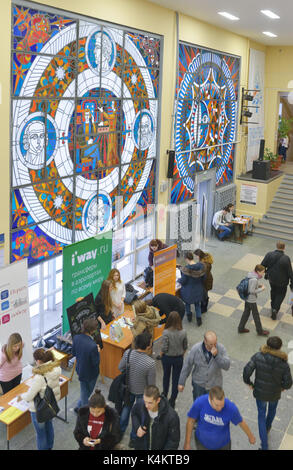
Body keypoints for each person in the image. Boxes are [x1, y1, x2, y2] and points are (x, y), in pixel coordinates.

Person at [243, 336, 292, 451]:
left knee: (261, 415)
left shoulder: (258, 356)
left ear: (267, 345)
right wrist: (283, 387)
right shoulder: (283, 363)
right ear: (279, 347)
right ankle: (268, 426)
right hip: (275, 393)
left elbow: (246, 371)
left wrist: (249, 382)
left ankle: (264, 446)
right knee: (272, 410)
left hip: (260, 392)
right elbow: (289, 383)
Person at [184, 386, 256, 450]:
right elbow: (191, 421)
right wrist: (187, 443)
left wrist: (251, 436)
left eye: (222, 404)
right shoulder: (199, 402)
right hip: (202, 444)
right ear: (210, 399)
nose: (220, 408)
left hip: (223, 446)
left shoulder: (231, 408)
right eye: (217, 405)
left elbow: (241, 422)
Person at [118, 331, 156, 447]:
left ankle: (119, 433)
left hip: (128, 389)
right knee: (139, 416)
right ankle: (133, 439)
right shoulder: (150, 363)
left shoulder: (128, 353)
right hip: (142, 393)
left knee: (126, 409)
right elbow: (151, 385)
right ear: (148, 346)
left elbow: (120, 367)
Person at [18, 348, 61, 450]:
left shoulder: (40, 377)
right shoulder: (56, 368)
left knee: (41, 434)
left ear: (38, 361)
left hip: (39, 409)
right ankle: (49, 447)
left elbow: (29, 396)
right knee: (49, 427)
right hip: (50, 404)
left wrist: (21, 396)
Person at [178, 331, 230, 401]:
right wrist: (181, 382)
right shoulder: (196, 349)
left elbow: (227, 366)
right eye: (211, 344)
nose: (214, 346)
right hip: (199, 385)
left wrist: (217, 356)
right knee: (198, 405)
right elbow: (187, 365)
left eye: (215, 343)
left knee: (213, 407)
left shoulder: (221, 348)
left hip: (214, 385)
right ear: (205, 341)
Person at [131, 385, 180, 450]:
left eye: (150, 403)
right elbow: (134, 413)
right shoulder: (141, 404)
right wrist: (137, 427)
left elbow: (173, 441)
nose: (146, 405)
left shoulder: (172, 416)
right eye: (145, 401)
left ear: (158, 400)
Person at [157, 311, 188, 408]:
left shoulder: (166, 332)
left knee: (166, 376)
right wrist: (182, 354)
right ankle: (173, 400)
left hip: (167, 358)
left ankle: (164, 394)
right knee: (176, 379)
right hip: (178, 359)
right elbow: (185, 346)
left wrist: (161, 354)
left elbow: (164, 348)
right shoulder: (183, 332)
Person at [72, 318, 100, 412]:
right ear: (92, 330)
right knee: (86, 393)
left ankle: (79, 406)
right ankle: (84, 412)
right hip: (91, 373)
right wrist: (98, 351)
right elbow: (96, 362)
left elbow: (74, 353)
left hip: (80, 369)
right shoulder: (93, 346)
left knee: (84, 390)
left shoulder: (76, 338)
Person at [261, 241, 293, 320]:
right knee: (281, 294)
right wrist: (292, 283)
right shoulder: (286, 258)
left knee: (273, 291)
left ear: (276, 246)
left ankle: (272, 306)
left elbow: (262, 266)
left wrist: (267, 272)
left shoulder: (269, 254)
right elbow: (290, 272)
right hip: (282, 282)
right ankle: (275, 309)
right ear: (284, 248)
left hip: (271, 279)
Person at [238, 264, 270, 336]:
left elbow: (250, 285)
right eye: (262, 272)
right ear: (258, 272)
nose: (263, 273)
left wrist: (258, 285)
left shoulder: (251, 275)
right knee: (256, 315)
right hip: (251, 300)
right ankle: (260, 331)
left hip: (247, 299)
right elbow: (252, 291)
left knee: (246, 313)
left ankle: (241, 328)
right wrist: (262, 289)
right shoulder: (254, 279)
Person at [177, 251, 206, 325]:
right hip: (198, 289)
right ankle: (199, 319)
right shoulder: (201, 267)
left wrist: (178, 280)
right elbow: (204, 278)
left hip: (188, 291)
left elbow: (183, 281)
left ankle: (189, 317)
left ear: (186, 259)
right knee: (197, 305)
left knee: (187, 304)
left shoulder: (186, 269)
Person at [194, 249, 213, 313]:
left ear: (199, 256)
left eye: (196, 256)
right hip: (206, 280)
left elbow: (203, 274)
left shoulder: (205, 264)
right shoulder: (202, 261)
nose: (195, 257)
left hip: (206, 282)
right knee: (204, 294)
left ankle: (204, 308)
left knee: (204, 295)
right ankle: (203, 306)